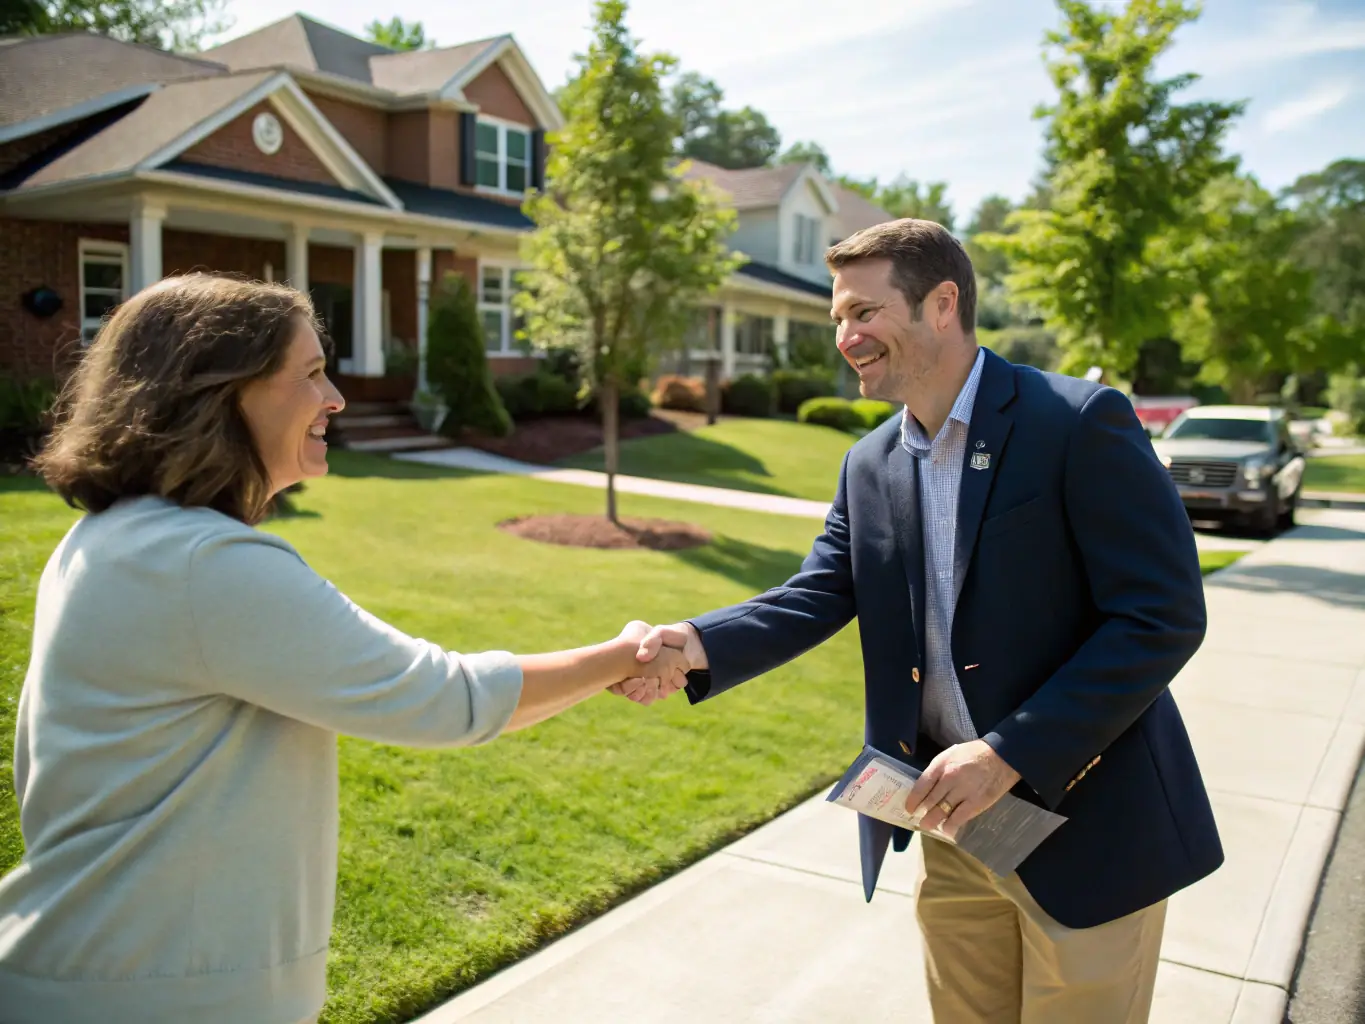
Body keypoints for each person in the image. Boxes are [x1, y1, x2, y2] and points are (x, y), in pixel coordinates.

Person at [0, 274, 685, 1024]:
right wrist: (624, 653)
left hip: (100, 971)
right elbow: (445, 700)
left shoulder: (111, 537)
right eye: (311, 374)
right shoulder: (207, 566)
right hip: (153, 992)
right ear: (221, 392)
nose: (337, 399)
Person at [623, 220, 1223, 1023]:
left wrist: (1008, 754)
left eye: (864, 313)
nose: (846, 336)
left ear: (942, 304)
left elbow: (1161, 616)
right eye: (838, 318)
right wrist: (693, 644)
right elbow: (817, 591)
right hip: (958, 831)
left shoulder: (1077, 423)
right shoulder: (868, 462)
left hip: (1090, 833)